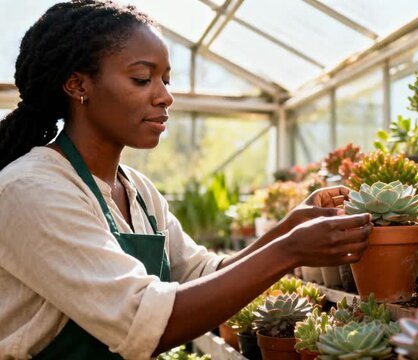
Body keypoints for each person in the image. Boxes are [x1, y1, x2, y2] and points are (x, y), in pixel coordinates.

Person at [0, 1, 373, 359]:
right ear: (78, 85)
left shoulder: (137, 190)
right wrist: (290, 250)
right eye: (142, 78)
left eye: (166, 80)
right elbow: (146, 324)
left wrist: (288, 227)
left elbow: (203, 275)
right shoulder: (33, 189)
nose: (165, 97)